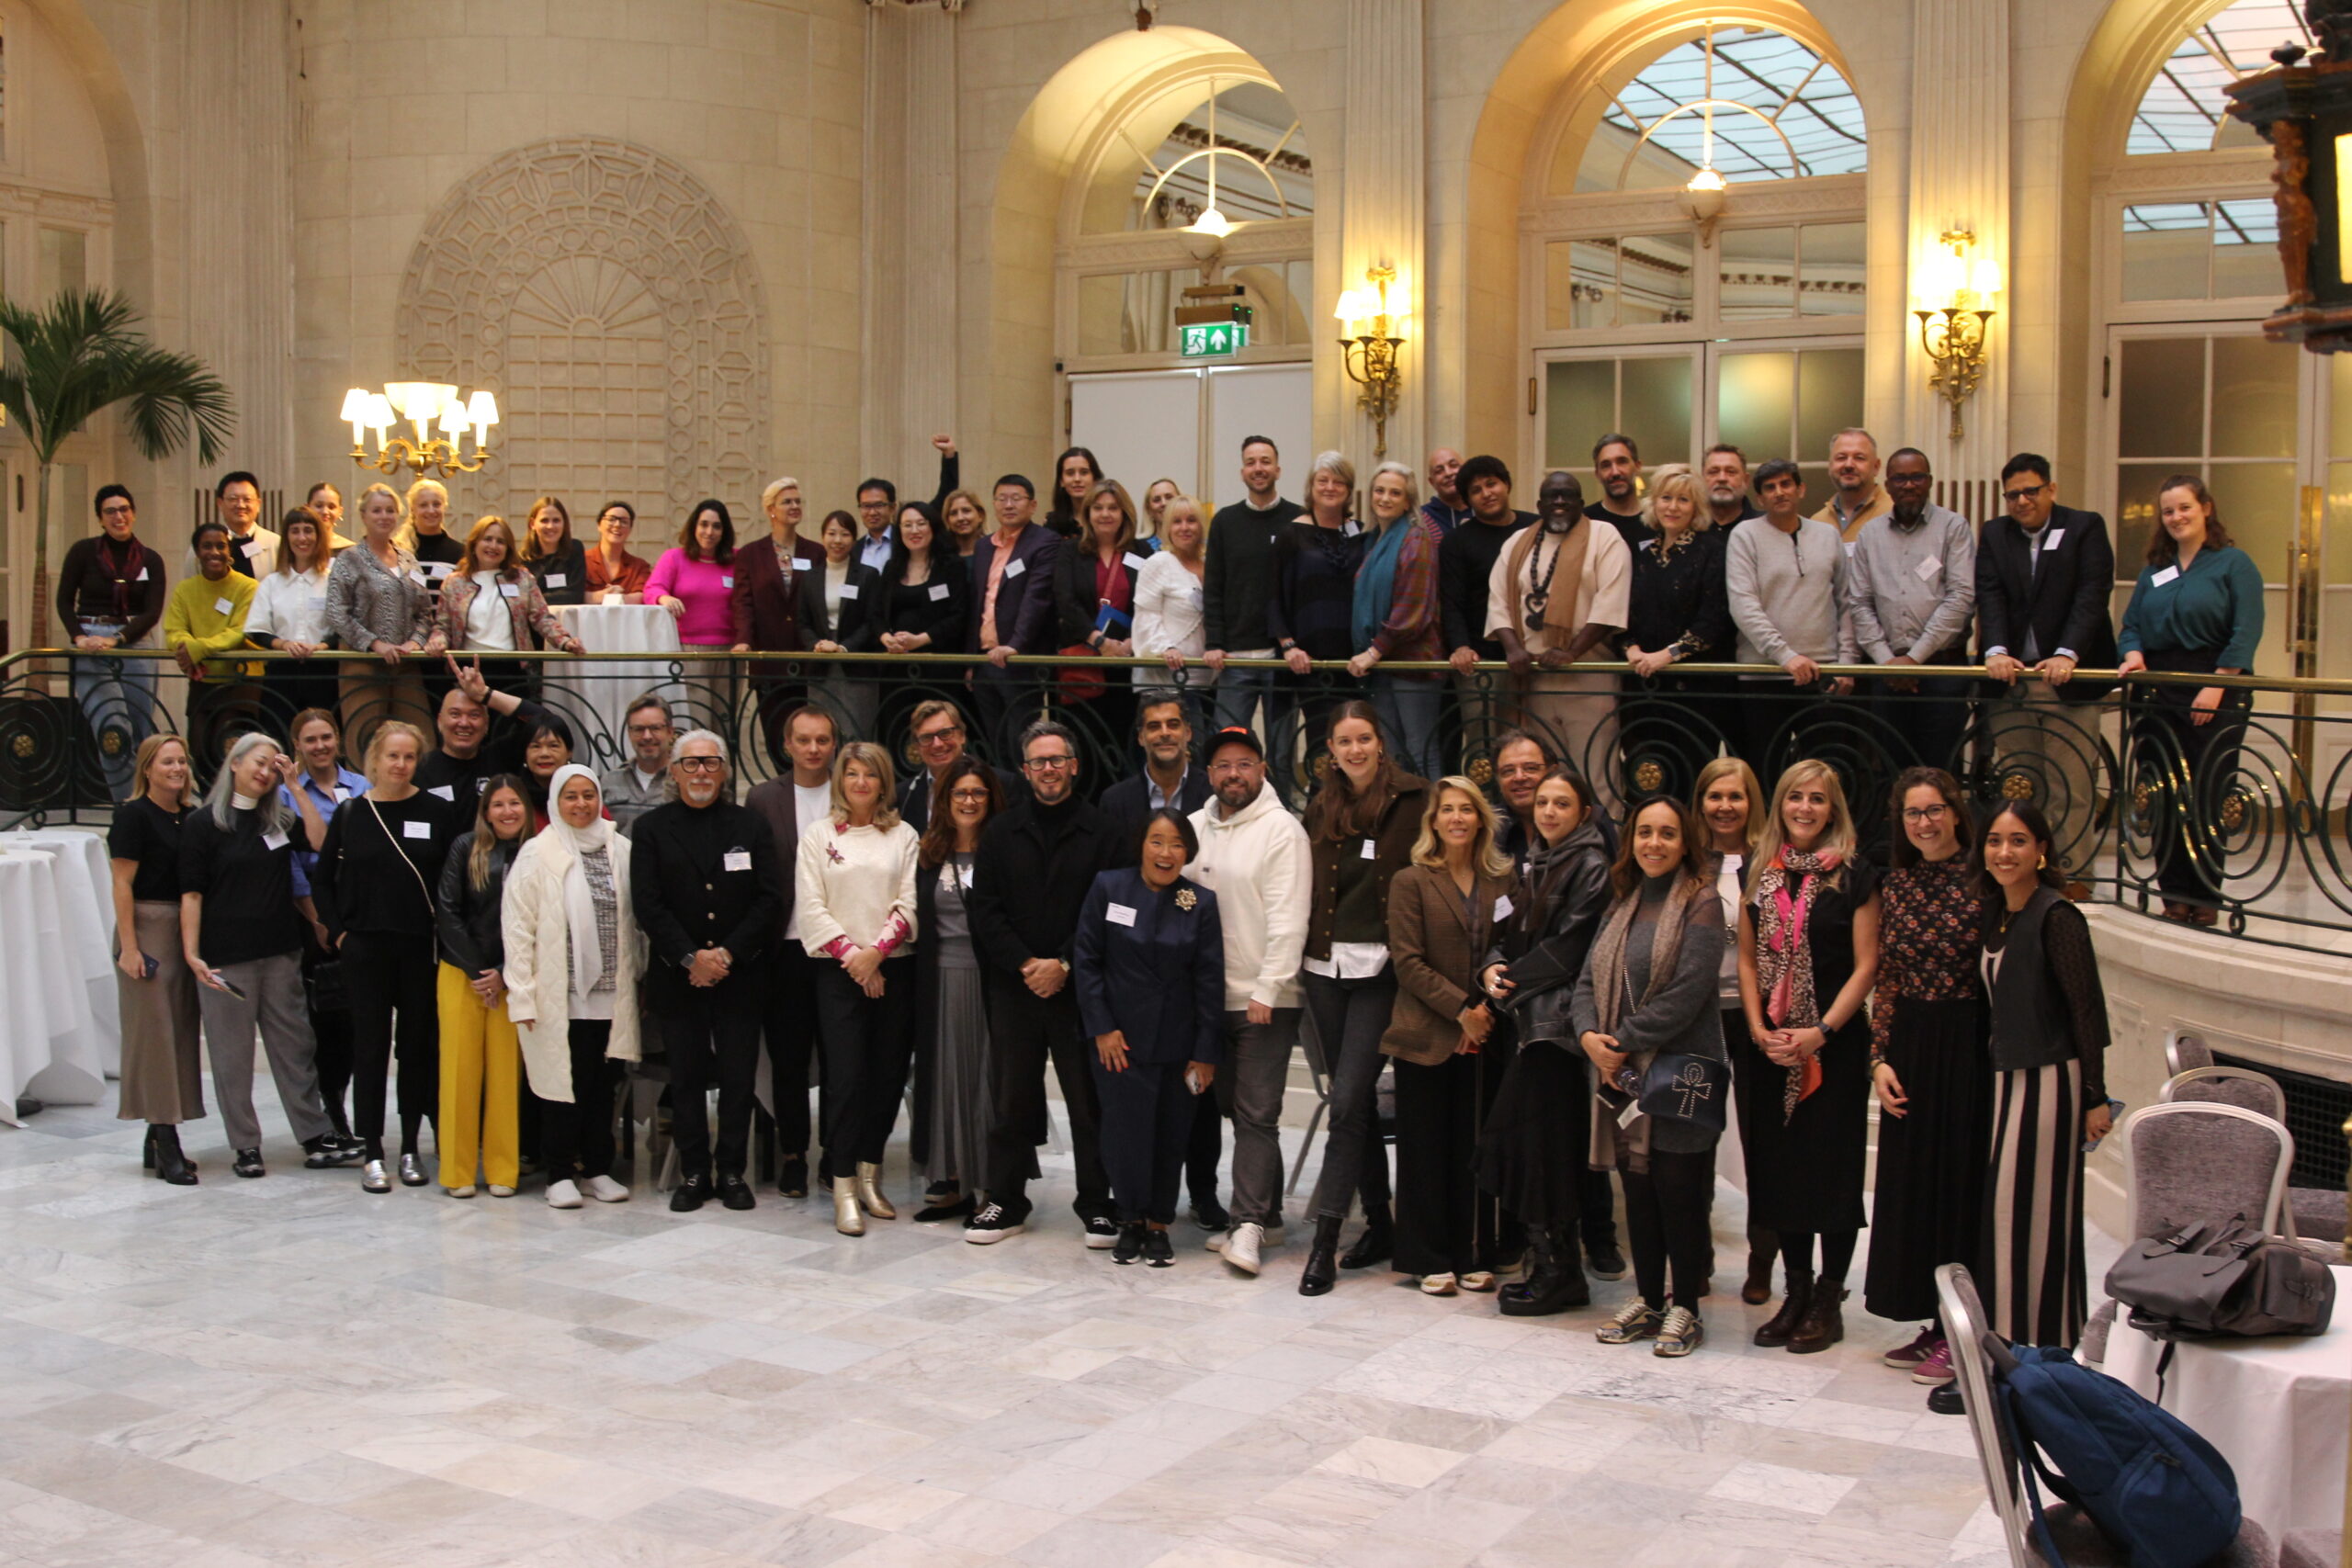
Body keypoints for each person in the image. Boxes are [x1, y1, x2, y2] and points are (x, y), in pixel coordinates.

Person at [1574, 796, 1729, 1358]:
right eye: (1644, 833)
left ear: (1685, 841)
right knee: (1637, 1189)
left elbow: (1687, 993)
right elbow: (1588, 980)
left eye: (1666, 834)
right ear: (1631, 840)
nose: (1654, 844)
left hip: (1682, 1072)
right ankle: (1648, 1299)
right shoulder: (1624, 902)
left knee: (1680, 1192)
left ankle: (1685, 1306)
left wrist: (1620, 1041)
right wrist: (1590, 1035)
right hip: (1623, 1077)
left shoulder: (1703, 903)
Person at [963, 718, 1125, 1246]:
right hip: (1016, 988)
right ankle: (1005, 1201)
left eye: (1057, 760)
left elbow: (1110, 913)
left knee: (1088, 1102)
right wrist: (1028, 966)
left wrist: (1064, 965)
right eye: (1038, 761)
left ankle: (1098, 1205)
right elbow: (984, 911)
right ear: (1026, 770)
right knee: (1012, 1099)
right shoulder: (1001, 832)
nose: (1048, 769)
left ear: (1073, 767)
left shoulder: (1104, 832)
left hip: (1081, 991)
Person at [1737, 759, 1881, 1354]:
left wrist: (1820, 1030)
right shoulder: (1760, 872)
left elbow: (1869, 963)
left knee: (1833, 1171)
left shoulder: (1855, 874)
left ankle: (1827, 1295)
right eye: (1795, 796)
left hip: (1833, 1045)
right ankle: (1793, 1291)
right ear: (1781, 805)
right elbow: (1746, 958)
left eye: (1816, 799)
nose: (1804, 807)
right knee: (1781, 1171)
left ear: (1833, 809)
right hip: (1772, 1047)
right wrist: (1756, 1026)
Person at [1473, 766, 1614, 1315]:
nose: (1550, 812)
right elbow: (1502, 933)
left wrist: (1506, 984)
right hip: (1526, 1025)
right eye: (1544, 803)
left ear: (1584, 812)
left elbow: (1572, 948)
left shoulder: (1592, 865)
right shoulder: (1534, 863)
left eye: (1562, 803)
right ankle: (1550, 1264)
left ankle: (1560, 1272)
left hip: (1557, 1032)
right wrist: (1491, 967)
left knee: (1542, 1152)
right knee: (1526, 1148)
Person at [1864, 767, 1988, 1387]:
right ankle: (1934, 1320)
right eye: (1914, 813)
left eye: (1935, 809)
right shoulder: (1898, 882)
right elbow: (1886, 978)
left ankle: (1965, 1327)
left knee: (1958, 1191)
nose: (1925, 822)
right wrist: (1879, 1057)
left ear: (1956, 812)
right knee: (1915, 1189)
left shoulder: (1983, 877)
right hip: (1910, 1043)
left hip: (1967, 1046)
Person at [1297, 703, 1429, 1287]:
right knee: (1355, 1105)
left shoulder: (1414, 800)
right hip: (1323, 970)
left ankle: (1325, 1240)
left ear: (1381, 743)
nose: (1354, 751)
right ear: (1331, 749)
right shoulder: (1321, 804)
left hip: (1381, 970)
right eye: (1343, 741)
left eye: (1364, 739)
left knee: (1349, 1098)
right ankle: (1379, 1220)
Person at [1976, 803, 2111, 1348]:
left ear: (2041, 851)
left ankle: (2034, 1351)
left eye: (2018, 841)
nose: (2004, 853)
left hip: (2051, 1080)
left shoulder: (2058, 916)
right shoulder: (1998, 913)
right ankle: (2019, 1346)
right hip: (2009, 1080)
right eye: (1994, 841)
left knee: (2034, 1218)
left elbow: (2087, 1012)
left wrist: (2095, 1098)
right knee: (2009, 1217)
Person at [631, 729, 783, 1212]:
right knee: (688, 1079)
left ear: (725, 770)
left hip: (741, 974)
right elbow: (647, 904)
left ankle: (732, 1170)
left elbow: (769, 899)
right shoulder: (652, 829)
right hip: (679, 976)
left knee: (739, 1080)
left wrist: (727, 956)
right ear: (674, 772)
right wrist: (691, 958)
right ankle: (695, 1172)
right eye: (691, 764)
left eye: (711, 763)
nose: (701, 773)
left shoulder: (750, 826)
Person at [179, 733, 337, 1178]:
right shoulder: (203, 824)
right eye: (259, 762)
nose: (266, 772)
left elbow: (321, 840)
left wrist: (297, 785)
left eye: (274, 766)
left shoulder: (278, 820)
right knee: (231, 1057)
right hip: (225, 958)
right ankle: (245, 1145)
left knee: (295, 1046)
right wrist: (192, 954)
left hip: (280, 953)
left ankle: (313, 1133)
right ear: (235, 763)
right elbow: (191, 894)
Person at [1381, 776, 1516, 1296]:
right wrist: (1461, 1012)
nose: (1457, 818)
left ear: (1481, 819)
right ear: (1433, 821)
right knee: (1425, 1149)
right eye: (1447, 810)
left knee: (1472, 1149)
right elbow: (1408, 963)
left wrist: (1481, 1012)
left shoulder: (1501, 882)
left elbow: (1505, 950)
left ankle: (1470, 1252)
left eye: (1467, 809)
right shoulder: (1410, 881)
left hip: (1485, 1034)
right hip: (1425, 1035)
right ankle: (1427, 1256)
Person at [1184, 725, 1309, 1274]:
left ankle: (1249, 1226)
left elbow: (1289, 918)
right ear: (1209, 774)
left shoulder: (1283, 831)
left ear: (1261, 768)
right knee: (1236, 1109)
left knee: (1257, 1113)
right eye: (1222, 765)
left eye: (1244, 763)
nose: (1233, 774)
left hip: (1266, 1000)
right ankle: (1273, 1216)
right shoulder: (1193, 829)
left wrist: (1269, 988)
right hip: (1212, 998)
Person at [1075, 810, 1225, 1267]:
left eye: (1177, 844)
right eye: (1157, 841)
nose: (1166, 853)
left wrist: (1205, 1052)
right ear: (1141, 844)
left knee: (1170, 1134)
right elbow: (1086, 960)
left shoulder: (1199, 901)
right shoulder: (1108, 887)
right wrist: (1101, 1027)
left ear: (1189, 852)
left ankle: (1159, 1223)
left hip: (1179, 1045)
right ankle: (1131, 1218)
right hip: (1119, 1042)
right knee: (1124, 1133)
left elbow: (1209, 980)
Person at [313, 720, 457, 1192]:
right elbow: (322, 881)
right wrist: (338, 934)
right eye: (392, 756)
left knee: (415, 1048)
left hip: (419, 947)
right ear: (374, 759)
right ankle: (373, 1150)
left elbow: (453, 880)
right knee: (369, 1049)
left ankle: (411, 1146)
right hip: (365, 948)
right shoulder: (351, 812)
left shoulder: (436, 810)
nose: (400, 765)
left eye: (410, 757)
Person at [2118, 474, 2263, 925]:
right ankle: (2173, 892)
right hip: (2158, 691)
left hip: (2215, 687)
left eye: (2184, 507)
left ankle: (2205, 894)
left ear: (2206, 509)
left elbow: (2247, 627)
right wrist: (2133, 653)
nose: (2176, 517)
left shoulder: (2234, 564)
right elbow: (2131, 625)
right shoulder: (2154, 571)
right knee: (2161, 793)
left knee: (2204, 791)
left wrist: (2218, 684)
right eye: (2168, 511)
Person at [796, 742, 922, 1235]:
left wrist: (878, 955)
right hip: (839, 973)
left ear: (884, 781)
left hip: (895, 969)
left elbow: (910, 901)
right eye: (852, 774)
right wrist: (856, 958)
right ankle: (842, 1183)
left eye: (871, 774)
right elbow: (811, 907)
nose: (861, 783)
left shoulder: (904, 835)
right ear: (840, 781)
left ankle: (871, 1175)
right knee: (846, 1079)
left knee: (887, 1075)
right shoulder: (819, 835)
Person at [503, 765, 642, 1210]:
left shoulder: (620, 848)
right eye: (570, 796)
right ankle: (559, 1172)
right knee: (561, 1083)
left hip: (611, 994)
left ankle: (597, 1169)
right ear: (555, 803)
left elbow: (636, 923)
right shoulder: (536, 853)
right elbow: (518, 928)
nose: (580, 804)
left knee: (603, 1085)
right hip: (558, 995)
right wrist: (521, 992)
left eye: (587, 795)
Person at [1976, 453, 2118, 867]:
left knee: (2070, 787)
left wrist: (2066, 653)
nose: (2021, 501)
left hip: (2069, 682)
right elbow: (1990, 594)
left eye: (2030, 491)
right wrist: (1997, 650)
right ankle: (2022, 875)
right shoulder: (1996, 534)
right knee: (2021, 785)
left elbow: (2092, 595)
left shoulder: (2084, 527)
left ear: (2051, 489)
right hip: (2013, 683)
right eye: (2012, 495)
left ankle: (2070, 877)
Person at [744, 703, 840, 1198]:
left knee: (840, 1057)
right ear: (787, 745)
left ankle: (836, 1156)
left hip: (840, 949)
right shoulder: (763, 799)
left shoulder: (851, 791)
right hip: (784, 946)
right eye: (804, 740)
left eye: (822, 740)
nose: (813, 749)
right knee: (789, 1059)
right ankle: (793, 1155)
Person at [1487, 470, 1632, 790]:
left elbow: (1610, 604)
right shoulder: (1518, 542)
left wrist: (1571, 653)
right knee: (1545, 781)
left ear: (1581, 502)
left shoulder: (1604, 536)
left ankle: (1603, 839)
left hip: (1589, 676)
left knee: (1595, 777)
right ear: (1539, 504)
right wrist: (1513, 649)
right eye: (1553, 496)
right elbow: (1497, 601)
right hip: (1535, 680)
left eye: (1568, 495)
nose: (1560, 501)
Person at [1692, 756, 1773, 1303]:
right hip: (1696, 1018)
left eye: (1736, 796)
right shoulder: (1687, 860)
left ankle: (1763, 1262)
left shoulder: (1772, 861)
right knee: (1692, 1143)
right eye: (1715, 796)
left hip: (1754, 1016)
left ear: (1753, 803)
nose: (1725, 806)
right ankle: (1693, 1258)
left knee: (1762, 1142)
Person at [911, 755, 1005, 1223]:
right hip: (940, 982)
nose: (968, 801)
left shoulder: (1004, 849)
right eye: (959, 793)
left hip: (991, 985)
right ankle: (952, 1180)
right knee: (945, 1081)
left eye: (978, 793)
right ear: (945, 801)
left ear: (991, 800)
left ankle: (991, 1185)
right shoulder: (928, 854)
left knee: (986, 1083)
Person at [1843, 448, 1976, 775]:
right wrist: (1887, 661)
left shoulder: (1953, 527)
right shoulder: (1870, 535)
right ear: (1887, 485)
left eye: (1917, 477)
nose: (1909, 485)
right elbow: (1859, 602)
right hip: (1886, 672)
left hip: (1943, 670)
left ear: (1929, 481)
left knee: (1941, 773)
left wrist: (1914, 658)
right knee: (1891, 772)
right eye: (1900, 478)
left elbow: (1961, 597)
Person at [109, 735, 205, 1185]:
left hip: (182, 930)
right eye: (167, 761)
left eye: (182, 761)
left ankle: (156, 1134)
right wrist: (129, 947)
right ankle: (168, 1142)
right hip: (146, 929)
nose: (177, 768)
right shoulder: (133, 816)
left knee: (179, 1034)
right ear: (147, 768)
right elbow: (122, 884)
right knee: (154, 1038)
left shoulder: (191, 818)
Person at [434, 774, 532, 1199]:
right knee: (459, 1074)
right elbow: (448, 911)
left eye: (514, 803)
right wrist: (479, 972)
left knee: (505, 1078)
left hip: (512, 979)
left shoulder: (536, 854)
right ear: (486, 811)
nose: (507, 812)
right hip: (462, 976)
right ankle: (457, 1172)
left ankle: (502, 1171)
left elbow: (539, 922)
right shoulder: (465, 847)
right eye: (498, 805)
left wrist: (503, 971)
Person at [1725, 461, 1849, 775]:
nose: (1779, 492)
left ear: (1801, 489)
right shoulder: (1745, 536)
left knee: (1824, 772)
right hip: (1762, 677)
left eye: (1786, 484)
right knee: (1765, 772)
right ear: (1761, 498)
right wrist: (1786, 656)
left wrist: (1847, 663)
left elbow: (1848, 601)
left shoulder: (1828, 535)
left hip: (1823, 675)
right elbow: (1743, 604)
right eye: (1770, 488)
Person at [281, 708, 368, 1154]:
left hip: (359, 916)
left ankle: (347, 1105)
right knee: (324, 1022)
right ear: (298, 745)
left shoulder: (362, 787)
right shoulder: (283, 794)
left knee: (356, 1022)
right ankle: (330, 1111)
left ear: (338, 739)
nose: (320, 746)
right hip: (312, 917)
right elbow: (293, 861)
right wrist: (318, 918)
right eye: (310, 739)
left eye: (326, 737)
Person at [1617, 464, 1736, 784]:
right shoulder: (1646, 553)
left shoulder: (1712, 551)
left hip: (1693, 690)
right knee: (1647, 777)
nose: (1672, 507)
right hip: (1645, 689)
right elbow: (1626, 613)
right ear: (1653, 503)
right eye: (1665, 498)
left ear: (1696, 507)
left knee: (1691, 779)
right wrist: (1632, 649)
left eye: (1683, 500)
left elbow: (1714, 620)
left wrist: (1665, 656)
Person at [60, 484, 166, 799]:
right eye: (110, 511)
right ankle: (126, 807)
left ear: (133, 513)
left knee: (141, 727)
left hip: (134, 640)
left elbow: (152, 611)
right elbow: (64, 600)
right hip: (90, 642)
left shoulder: (151, 559)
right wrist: (79, 636)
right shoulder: (83, 551)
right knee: (113, 727)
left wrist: (119, 639)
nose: (118, 517)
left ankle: (151, 803)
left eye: (124, 509)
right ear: (100, 518)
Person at [1345, 463, 1446, 784]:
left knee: (1421, 752)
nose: (1385, 498)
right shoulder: (1374, 540)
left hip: (1413, 663)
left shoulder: (1417, 538)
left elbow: (1414, 609)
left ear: (1408, 502)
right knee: (1391, 755)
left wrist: (1374, 651)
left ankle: (1439, 825)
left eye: (1395, 493)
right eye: (1379, 490)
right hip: (1385, 666)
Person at [1203, 435, 1305, 739]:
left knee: (1282, 750)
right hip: (1236, 657)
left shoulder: (1298, 519)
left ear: (1278, 469)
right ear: (1242, 472)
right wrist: (1214, 643)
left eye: (1265, 461)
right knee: (1228, 743)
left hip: (1282, 657)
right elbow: (1214, 587)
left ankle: (1282, 790)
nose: (1258, 468)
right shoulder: (1224, 521)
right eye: (1250, 462)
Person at [324, 481, 439, 740]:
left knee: (419, 736)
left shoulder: (408, 559)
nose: (384, 516)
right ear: (363, 515)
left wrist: (415, 642)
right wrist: (375, 644)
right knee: (364, 737)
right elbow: (336, 612)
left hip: (406, 664)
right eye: (377, 510)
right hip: (362, 663)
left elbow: (424, 612)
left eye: (389, 510)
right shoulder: (349, 558)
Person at [1271, 452, 1367, 758]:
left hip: (1356, 661)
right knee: (1322, 748)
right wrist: (1288, 645)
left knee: (1355, 746)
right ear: (1311, 486)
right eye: (1322, 480)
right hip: (1310, 661)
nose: (1330, 487)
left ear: (1349, 489)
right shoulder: (1291, 534)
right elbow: (1273, 595)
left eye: (1338, 481)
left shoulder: (1361, 533)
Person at [1441, 454, 1534, 758]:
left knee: (1531, 742)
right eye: (1476, 490)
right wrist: (1460, 647)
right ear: (1468, 500)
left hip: (1533, 656)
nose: (1487, 493)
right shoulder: (1457, 541)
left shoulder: (1534, 528)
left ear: (1506, 484)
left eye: (1491, 484)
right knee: (1483, 745)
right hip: (1481, 661)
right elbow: (1451, 601)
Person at [732, 477, 826, 768]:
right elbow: (743, 602)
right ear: (771, 509)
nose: (795, 506)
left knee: (810, 731)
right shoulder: (750, 554)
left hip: (807, 657)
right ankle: (784, 786)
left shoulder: (816, 552)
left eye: (798, 501)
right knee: (776, 731)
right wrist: (744, 639)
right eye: (788, 501)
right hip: (768, 657)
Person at [967, 475, 1064, 754]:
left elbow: (1037, 598)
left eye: (1016, 498)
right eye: (1002, 498)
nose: (1008, 505)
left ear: (1032, 505)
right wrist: (970, 658)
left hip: (1019, 660)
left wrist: (1016, 644)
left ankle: (1021, 797)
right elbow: (978, 602)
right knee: (993, 743)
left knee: (1020, 742)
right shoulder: (984, 546)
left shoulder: (1045, 542)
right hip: (984, 660)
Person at [436, 514, 584, 687]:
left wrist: (565, 641)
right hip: (468, 667)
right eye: (487, 539)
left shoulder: (522, 578)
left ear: (508, 548)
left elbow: (542, 618)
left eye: (500, 541)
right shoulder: (454, 582)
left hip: (513, 667)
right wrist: (438, 641)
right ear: (474, 543)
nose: (493, 546)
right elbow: (442, 626)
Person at [1056, 479, 1148, 744]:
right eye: (1098, 508)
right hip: (1083, 662)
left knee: (1124, 741)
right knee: (1083, 742)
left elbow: (1151, 603)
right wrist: (1099, 640)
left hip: (1128, 662)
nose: (1105, 514)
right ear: (1087, 513)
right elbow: (1066, 601)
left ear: (1125, 513)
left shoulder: (1142, 551)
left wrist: (1132, 642)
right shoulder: (1070, 551)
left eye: (1113, 508)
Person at [164, 520, 260, 767]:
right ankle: (209, 806)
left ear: (229, 551)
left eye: (221, 546)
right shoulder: (185, 589)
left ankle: (230, 806)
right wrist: (186, 646)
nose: (214, 552)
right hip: (202, 681)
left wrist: (197, 649)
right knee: (198, 749)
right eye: (207, 546)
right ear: (197, 552)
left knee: (226, 751)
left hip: (240, 681)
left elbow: (241, 632)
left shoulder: (248, 587)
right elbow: (173, 631)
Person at [246, 505, 343, 724]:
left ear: (318, 536)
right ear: (286, 536)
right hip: (281, 673)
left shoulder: (333, 582)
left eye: (308, 530)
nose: (302, 538)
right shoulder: (271, 583)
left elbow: (343, 629)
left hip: (323, 673)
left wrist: (319, 647)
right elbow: (257, 630)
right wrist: (284, 644)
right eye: (295, 531)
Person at [418, 656, 556, 807]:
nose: (464, 723)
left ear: (486, 724)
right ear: (439, 721)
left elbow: (544, 721)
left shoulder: (501, 759)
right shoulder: (421, 768)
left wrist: (486, 695)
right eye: (455, 714)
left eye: (474, 715)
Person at [797, 508, 883, 739]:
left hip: (856, 666)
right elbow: (803, 622)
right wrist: (816, 645)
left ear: (854, 539)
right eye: (831, 533)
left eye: (844, 534)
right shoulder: (810, 577)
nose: (837, 540)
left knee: (857, 732)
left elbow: (872, 622)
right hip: (821, 665)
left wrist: (843, 648)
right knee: (822, 733)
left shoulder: (868, 575)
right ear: (823, 536)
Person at [1134, 493, 1213, 729]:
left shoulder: (1211, 564)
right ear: (1167, 527)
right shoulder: (1157, 563)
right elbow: (1146, 616)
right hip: (1166, 681)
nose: (1185, 528)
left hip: (1206, 679)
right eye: (1177, 522)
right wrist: (1165, 648)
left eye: (1191, 520)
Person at [1099, 696, 1212, 857]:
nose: (1165, 733)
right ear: (1141, 737)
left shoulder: (1213, 794)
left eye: (1173, 725)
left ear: (1187, 732)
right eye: (1154, 726)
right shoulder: (1115, 801)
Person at [876, 501, 970, 673]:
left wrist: (920, 640)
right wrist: (887, 638)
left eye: (921, 524)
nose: (914, 531)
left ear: (933, 527)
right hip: (897, 662)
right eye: (907, 525)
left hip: (940, 661)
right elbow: (876, 613)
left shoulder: (952, 565)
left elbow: (959, 615)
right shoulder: (892, 567)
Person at [897, 699, 1014, 833]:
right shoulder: (903, 796)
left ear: (962, 735)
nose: (937, 744)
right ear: (917, 746)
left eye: (945, 733)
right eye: (927, 737)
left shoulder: (1003, 784)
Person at [183, 470, 278, 581]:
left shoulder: (276, 544)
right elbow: (191, 588)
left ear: (258, 504)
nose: (241, 505)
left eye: (247, 499)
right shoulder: (203, 545)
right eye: (233, 499)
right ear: (220, 503)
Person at [601, 694, 675, 833]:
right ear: (629, 733)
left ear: (670, 732)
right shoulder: (609, 781)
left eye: (655, 728)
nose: (647, 736)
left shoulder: (681, 779)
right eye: (639, 729)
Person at [1812, 428, 1891, 542]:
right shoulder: (1817, 523)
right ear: (1830, 466)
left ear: (1876, 467)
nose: (1849, 465)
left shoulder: (1893, 514)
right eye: (1841, 458)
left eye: (1859, 458)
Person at [396, 479, 465, 604]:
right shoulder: (397, 550)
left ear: (445, 507)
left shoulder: (461, 553)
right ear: (412, 509)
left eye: (436, 504)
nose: (431, 510)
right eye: (423, 505)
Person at [517, 497, 587, 606]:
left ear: (564, 523)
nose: (550, 526)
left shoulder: (575, 549)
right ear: (532, 524)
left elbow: (575, 595)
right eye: (544, 520)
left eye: (556, 520)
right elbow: (522, 598)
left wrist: (535, 598)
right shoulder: (522, 559)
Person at [1588, 434, 1648, 551]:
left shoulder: (1657, 521)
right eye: (1606, 465)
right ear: (1597, 474)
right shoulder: (1586, 523)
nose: (1615, 472)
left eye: (1622, 462)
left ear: (1637, 466)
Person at [584, 501, 653, 603]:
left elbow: (643, 596)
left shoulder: (639, 566)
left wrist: (618, 599)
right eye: (611, 519)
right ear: (599, 525)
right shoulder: (581, 561)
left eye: (624, 522)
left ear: (630, 530)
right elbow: (572, 594)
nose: (617, 525)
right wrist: (602, 596)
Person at [1044, 446, 1103, 539]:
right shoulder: (1053, 523)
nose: (1077, 479)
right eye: (1070, 473)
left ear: (1095, 479)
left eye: (1084, 472)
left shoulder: (1105, 519)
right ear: (1061, 481)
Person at [1699, 445, 1762, 532]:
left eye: (1731, 472)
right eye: (1714, 472)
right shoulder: (1685, 527)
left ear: (1746, 480)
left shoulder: (1766, 527)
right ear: (1702, 480)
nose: (1722, 478)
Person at [854, 477, 899, 575]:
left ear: (892, 508)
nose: (872, 512)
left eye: (879, 505)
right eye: (866, 506)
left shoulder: (904, 541)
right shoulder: (854, 549)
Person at [1420, 447, 1471, 536]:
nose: (1448, 473)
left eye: (1453, 465)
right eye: (1439, 471)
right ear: (1432, 482)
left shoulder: (1482, 508)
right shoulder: (1423, 518)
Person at [942, 488, 990, 558]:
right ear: (948, 520)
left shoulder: (994, 551)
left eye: (966, 511)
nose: (960, 518)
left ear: (980, 516)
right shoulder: (940, 556)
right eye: (954, 513)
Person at [307, 480, 348, 546]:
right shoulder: (296, 546)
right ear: (307, 508)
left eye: (331, 507)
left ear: (340, 511)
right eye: (319, 506)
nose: (325, 512)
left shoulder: (349, 550)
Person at [1141, 477, 1182, 542]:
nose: (1164, 503)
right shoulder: (1137, 548)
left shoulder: (1199, 545)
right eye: (1157, 500)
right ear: (1149, 510)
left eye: (1169, 497)